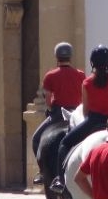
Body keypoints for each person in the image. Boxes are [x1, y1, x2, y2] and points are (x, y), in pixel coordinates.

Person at [51, 45, 108, 194]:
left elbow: (85, 110)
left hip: (93, 121)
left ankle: (60, 180)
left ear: (92, 63)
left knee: (64, 143)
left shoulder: (87, 83)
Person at [32, 42, 86, 181]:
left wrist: (50, 111)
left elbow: (49, 100)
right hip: (76, 114)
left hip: (58, 114)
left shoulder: (50, 75)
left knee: (36, 139)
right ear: (70, 56)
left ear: (57, 57)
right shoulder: (80, 75)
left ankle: (42, 172)